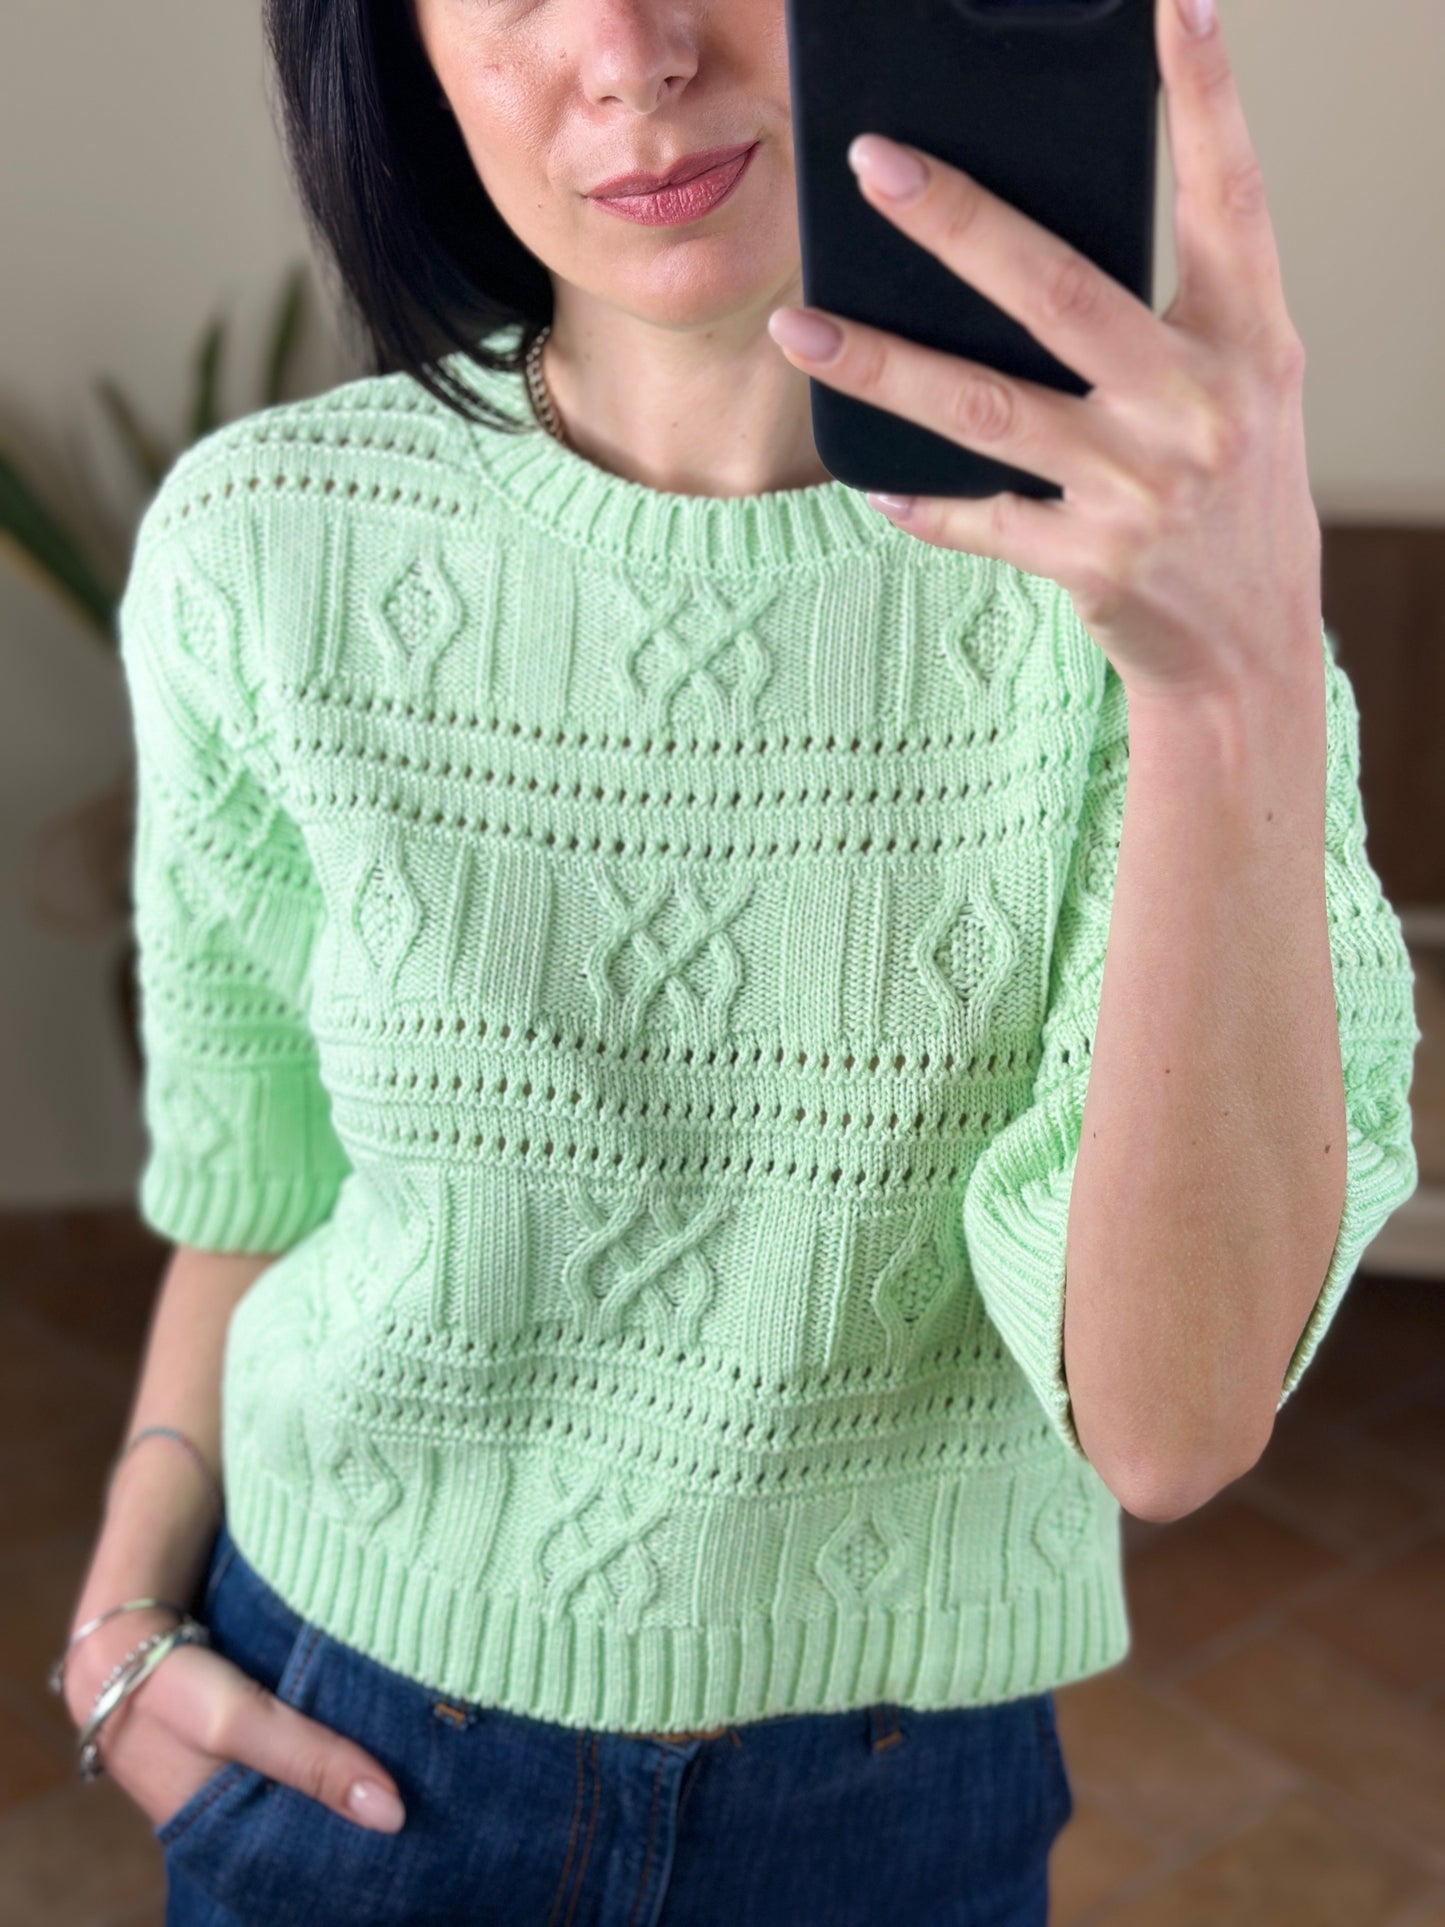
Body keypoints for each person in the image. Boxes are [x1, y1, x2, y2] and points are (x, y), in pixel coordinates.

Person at [54, 0, 1420, 1922]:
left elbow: (1172, 1429)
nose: (626, 51)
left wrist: (1234, 667)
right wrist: (121, 1623)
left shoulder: (1153, 590)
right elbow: (253, 1200)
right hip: (336, 1735)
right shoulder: (258, 545)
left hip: (890, 1808)